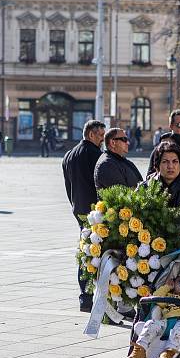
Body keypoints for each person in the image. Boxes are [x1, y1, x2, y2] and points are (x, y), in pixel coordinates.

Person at [62, 119, 106, 312]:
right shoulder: (97, 155)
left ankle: (85, 297)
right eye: (100, 136)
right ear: (90, 135)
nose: (103, 139)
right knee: (100, 253)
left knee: (85, 252)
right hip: (96, 211)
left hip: (79, 210)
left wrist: (75, 205)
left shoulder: (69, 155)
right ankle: (102, 297)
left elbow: (67, 186)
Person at [139, 142, 180, 231]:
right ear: (157, 166)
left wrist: (172, 226)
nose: (170, 166)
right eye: (165, 162)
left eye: (175, 161)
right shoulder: (144, 188)